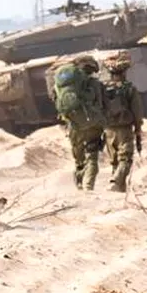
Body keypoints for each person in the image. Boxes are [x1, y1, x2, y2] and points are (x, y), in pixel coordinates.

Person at [52, 54, 108, 191]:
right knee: (92, 156)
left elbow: (55, 100)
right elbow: (103, 104)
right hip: (93, 124)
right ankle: (88, 186)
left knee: (79, 158)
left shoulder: (61, 84)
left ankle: (79, 180)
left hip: (73, 125)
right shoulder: (94, 84)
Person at [100, 53, 144, 193]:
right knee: (125, 159)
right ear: (124, 73)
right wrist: (138, 128)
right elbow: (137, 111)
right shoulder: (129, 88)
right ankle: (115, 182)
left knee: (115, 161)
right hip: (124, 129)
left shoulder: (103, 89)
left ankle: (120, 188)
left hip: (108, 129)